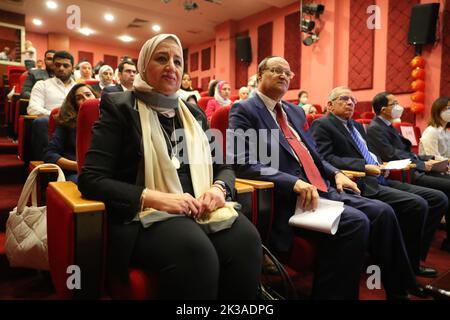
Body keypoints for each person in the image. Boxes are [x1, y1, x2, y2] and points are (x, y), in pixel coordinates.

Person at [78, 34, 262, 299]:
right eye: (161, 58)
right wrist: (156, 199)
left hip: (199, 206)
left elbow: (224, 167)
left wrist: (219, 189)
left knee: (247, 240)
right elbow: (91, 179)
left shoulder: (194, 113)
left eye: (178, 61)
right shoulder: (119, 107)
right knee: (196, 252)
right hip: (144, 214)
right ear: (143, 66)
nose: (172, 67)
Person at [229, 55, 426, 300]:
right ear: (260, 76)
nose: (283, 76)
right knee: (356, 222)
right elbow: (243, 162)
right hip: (290, 195)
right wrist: (293, 182)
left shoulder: (294, 112)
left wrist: (337, 173)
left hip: (323, 186)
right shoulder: (245, 109)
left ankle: (401, 289)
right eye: (276, 70)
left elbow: (315, 155)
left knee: (384, 213)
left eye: (288, 73)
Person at [310, 86, 447, 278]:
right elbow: (325, 158)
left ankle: (412, 259)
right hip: (361, 181)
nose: (350, 102)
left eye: (353, 100)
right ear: (330, 105)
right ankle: (405, 267)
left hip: (381, 176)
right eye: (344, 98)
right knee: (417, 204)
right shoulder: (323, 124)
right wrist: (364, 167)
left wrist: (380, 164)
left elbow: (367, 152)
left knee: (437, 198)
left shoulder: (356, 126)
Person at [368, 92, 450, 253]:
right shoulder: (376, 128)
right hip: (406, 172)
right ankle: (418, 247)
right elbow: (392, 155)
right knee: (443, 193)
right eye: (395, 103)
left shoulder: (388, 126)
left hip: (412, 167)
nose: (399, 107)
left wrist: (429, 158)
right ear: (384, 109)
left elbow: (405, 153)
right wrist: (422, 164)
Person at [43, 83, 98, 183]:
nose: (86, 99)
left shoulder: (107, 120)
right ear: (74, 104)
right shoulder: (66, 123)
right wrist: (78, 166)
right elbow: (49, 154)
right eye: (79, 98)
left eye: (88, 94)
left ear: (96, 96)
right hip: (76, 173)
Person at [27, 50, 76, 160]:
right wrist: (56, 116)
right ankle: (45, 166)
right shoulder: (42, 85)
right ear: (53, 66)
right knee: (41, 121)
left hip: (75, 125)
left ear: (72, 68)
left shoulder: (78, 88)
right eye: (58, 65)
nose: (61, 68)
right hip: (52, 123)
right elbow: (32, 108)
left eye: (66, 65)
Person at [419, 96, 450, 161]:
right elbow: (433, 157)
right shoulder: (431, 131)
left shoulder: (447, 132)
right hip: (431, 169)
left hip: (445, 167)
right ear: (438, 110)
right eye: (448, 108)